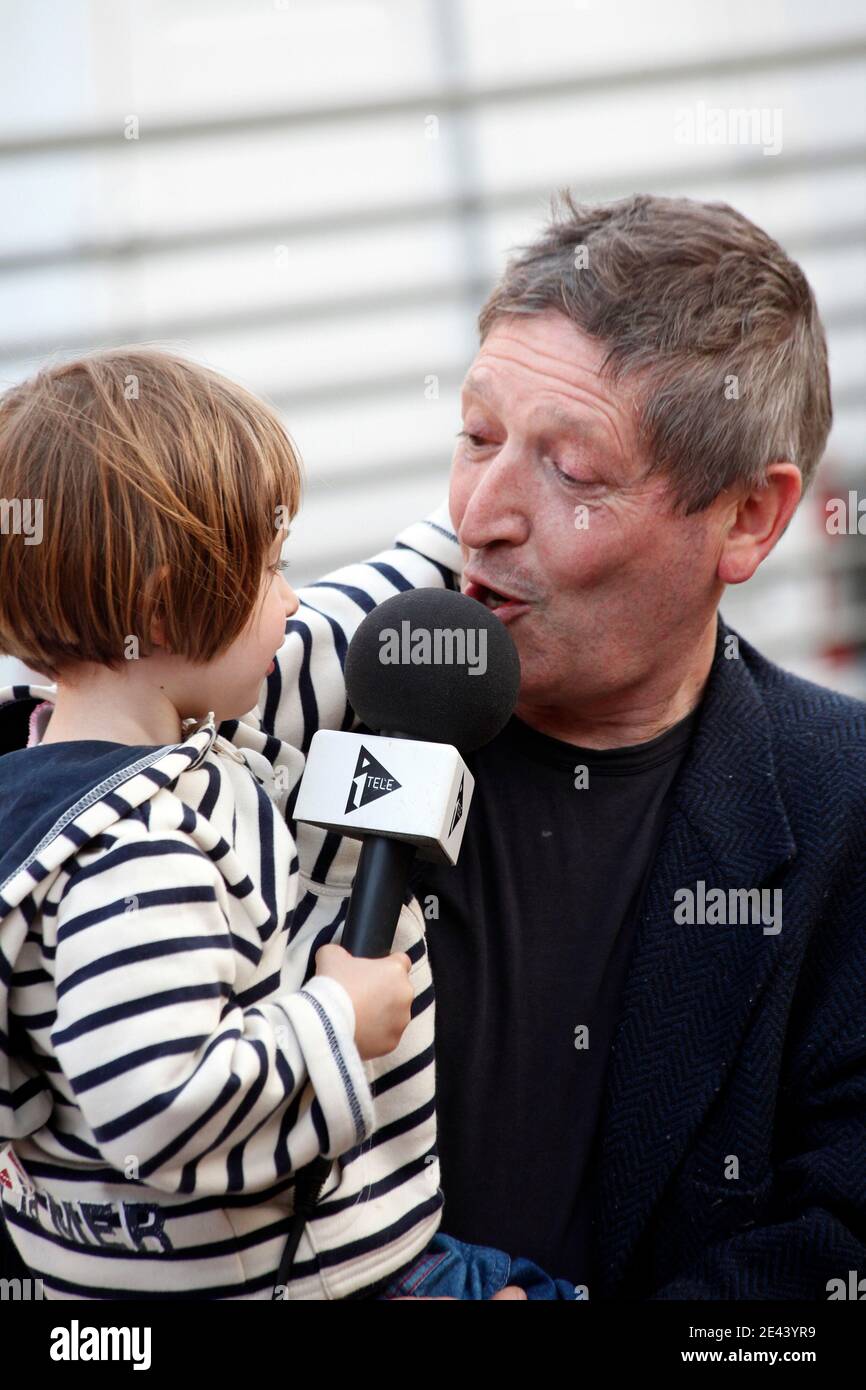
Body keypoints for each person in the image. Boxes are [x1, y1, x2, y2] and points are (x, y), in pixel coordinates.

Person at [255, 192, 866, 1300]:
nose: (480, 510)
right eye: (477, 435)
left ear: (746, 519)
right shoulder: (297, 702)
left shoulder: (844, 808)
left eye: (570, 471)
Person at [0, 348, 574, 1299]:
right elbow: (163, 1104)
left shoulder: (49, 785)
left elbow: (360, 605)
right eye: (270, 568)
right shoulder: (137, 852)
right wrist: (343, 1018)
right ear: (157, 600)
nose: (295, 600)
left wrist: (471, 529)